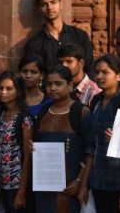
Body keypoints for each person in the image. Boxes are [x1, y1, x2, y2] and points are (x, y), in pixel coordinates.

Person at [78, 54, 120, 213]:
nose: (99, 76)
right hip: (97, 180)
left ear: (119, 76)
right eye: (97, 72)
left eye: (105, 72)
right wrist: (84, 184)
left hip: (119, 181)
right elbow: (92, 146)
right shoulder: (95, 100)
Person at [32, 65, 90, 213]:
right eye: (49, 84)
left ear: (70, 85)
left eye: (58, 84)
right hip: (44, 186)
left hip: (70, 187)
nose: (52, 88)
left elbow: (91, 151)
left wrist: (79, 181)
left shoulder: (81, 112)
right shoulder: (43, 112)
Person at [23, 0, 94, 76]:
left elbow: (90, 68)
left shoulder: (80, 36)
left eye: (53, 2)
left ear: (61, 5)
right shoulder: (34, 43)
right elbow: (34, 75)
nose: (49, 7)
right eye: (44, 4)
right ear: (38, 9)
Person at [0, 71, 33, 213]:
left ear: (18, 92)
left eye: (9, 88)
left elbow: (27, 157)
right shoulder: (0, 115)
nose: (3, 92)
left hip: (18, 185)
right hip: (2, 184)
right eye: (0, 88)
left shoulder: (24, 119)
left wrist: (21, 193)